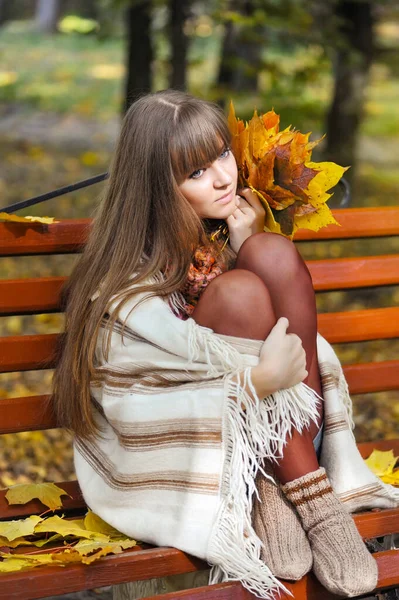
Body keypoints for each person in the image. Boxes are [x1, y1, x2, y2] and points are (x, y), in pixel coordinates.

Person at [53, 89, 395, 599]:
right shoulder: (122, 281)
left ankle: (283, 489)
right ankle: (312, 504)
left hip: (292, 437)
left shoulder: (231, 235)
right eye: (195, 172)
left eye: (222, 155)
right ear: (155, 187)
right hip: (208, 452)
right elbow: (133, 396)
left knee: (271, 252)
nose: (222, 177)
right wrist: (254, 383)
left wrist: (243, 248)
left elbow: (299, 355)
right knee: (239, 291)